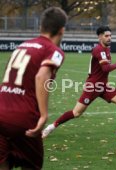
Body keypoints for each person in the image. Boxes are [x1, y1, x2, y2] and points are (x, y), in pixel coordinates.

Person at [0, 7, 67, 170]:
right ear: (62, 30)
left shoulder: (22, 45)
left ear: (41, 27)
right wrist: (43, 115)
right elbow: (41, 76)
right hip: (24, 116)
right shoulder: (54, 51)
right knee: (32, 165)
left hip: (1, 111)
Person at [42, 26, 116, 140]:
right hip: (93, 87)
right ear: (100, 37)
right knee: (76, 113)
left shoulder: (105, 49)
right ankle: (50, 127)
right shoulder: (99, 50)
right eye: (106, 36)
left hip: (103, 86)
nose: (109, 38)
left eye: (110, 36)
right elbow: (105, 69)